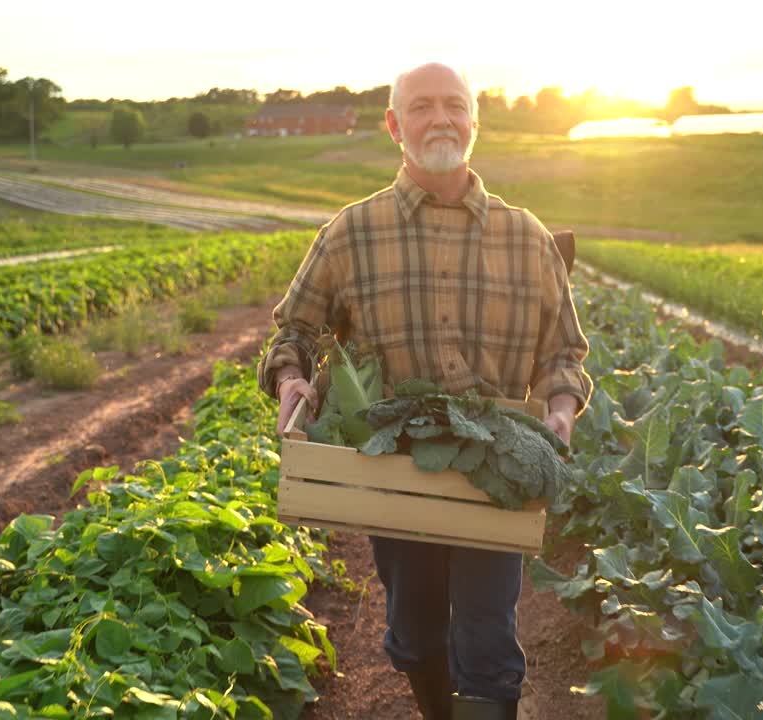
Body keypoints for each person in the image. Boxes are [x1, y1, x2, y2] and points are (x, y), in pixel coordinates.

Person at [257, 62, 593, 720]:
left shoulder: (527, 237)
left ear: (475, 121)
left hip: (493, 470)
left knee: (490, 639)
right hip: (395, 467)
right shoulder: (352, 232)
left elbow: (564, 351)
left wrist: (558, 410)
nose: (440, 118)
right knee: (413, 634)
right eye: (421, 107)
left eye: (454, 105)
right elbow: (293, 330)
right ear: (394, 124)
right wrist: (292, 377)